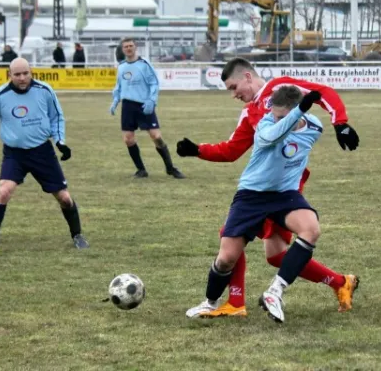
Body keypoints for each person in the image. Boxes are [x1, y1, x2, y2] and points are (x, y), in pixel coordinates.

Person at [178, 57, 359, 317]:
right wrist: (198, 151)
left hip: (285, 191)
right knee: (273, 255)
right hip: (256, 191)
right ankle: (341, 282)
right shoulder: (251, 113)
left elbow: (324, 92)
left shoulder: (280, 88)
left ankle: (237, 302)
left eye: (233, 87)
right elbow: (232, 150)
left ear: (248, 77)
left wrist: (340, 122)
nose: (234, 94)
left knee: (272, 242)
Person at [187, 86, 330, 323]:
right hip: (251, 196)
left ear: (300, 113)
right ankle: (210, 302)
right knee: (226, 259)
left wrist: (342, 124)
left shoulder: (314, 126)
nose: (276, 120)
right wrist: (294, 114)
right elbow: (274, 135)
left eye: (282, 117)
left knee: (311, 229)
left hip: (284, 195)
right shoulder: (265, 126)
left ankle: (275, 291)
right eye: (275, 115)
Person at [0, 58, 89, 254]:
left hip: (42, 152)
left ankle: (77, 235)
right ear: (9, 75)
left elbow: (57, 117)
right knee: (4, 191)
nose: (22, 78)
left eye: (25, 73)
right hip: (15, 154)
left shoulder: (44, 91)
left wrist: (60, 142)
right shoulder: (0, 96)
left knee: (64, 197)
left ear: (31, 72)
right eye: (17, 74)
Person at [110, 37, 185, 179]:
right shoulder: (121, 67)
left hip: (144, 104)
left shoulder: (144, 64)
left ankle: (170, 168)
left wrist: (152, 100)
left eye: (130, 46)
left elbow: (154, 83)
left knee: (156, 136)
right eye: (125, 47)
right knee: (128, 139)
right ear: (122, 49)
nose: (128, 48)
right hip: (127, 106)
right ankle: (141, 170)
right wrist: (115, 100)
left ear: (135, 47)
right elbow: (119, 86)